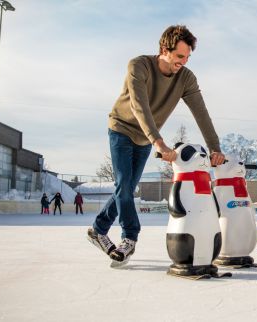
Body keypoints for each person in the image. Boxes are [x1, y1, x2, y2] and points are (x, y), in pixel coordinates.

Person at [87, 25, 225, 264]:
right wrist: (159, 142)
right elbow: (139, 107)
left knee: (127, 189)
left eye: (188, 57)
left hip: (146, 138)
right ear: (165, 50)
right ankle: (129, 237)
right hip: (122, 128)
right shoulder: (138, 66)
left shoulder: (186, 78)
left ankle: (98, 230)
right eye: (179, 56)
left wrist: (215, 148)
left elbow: (201, 113)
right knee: (124, 185)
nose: (183, 62)